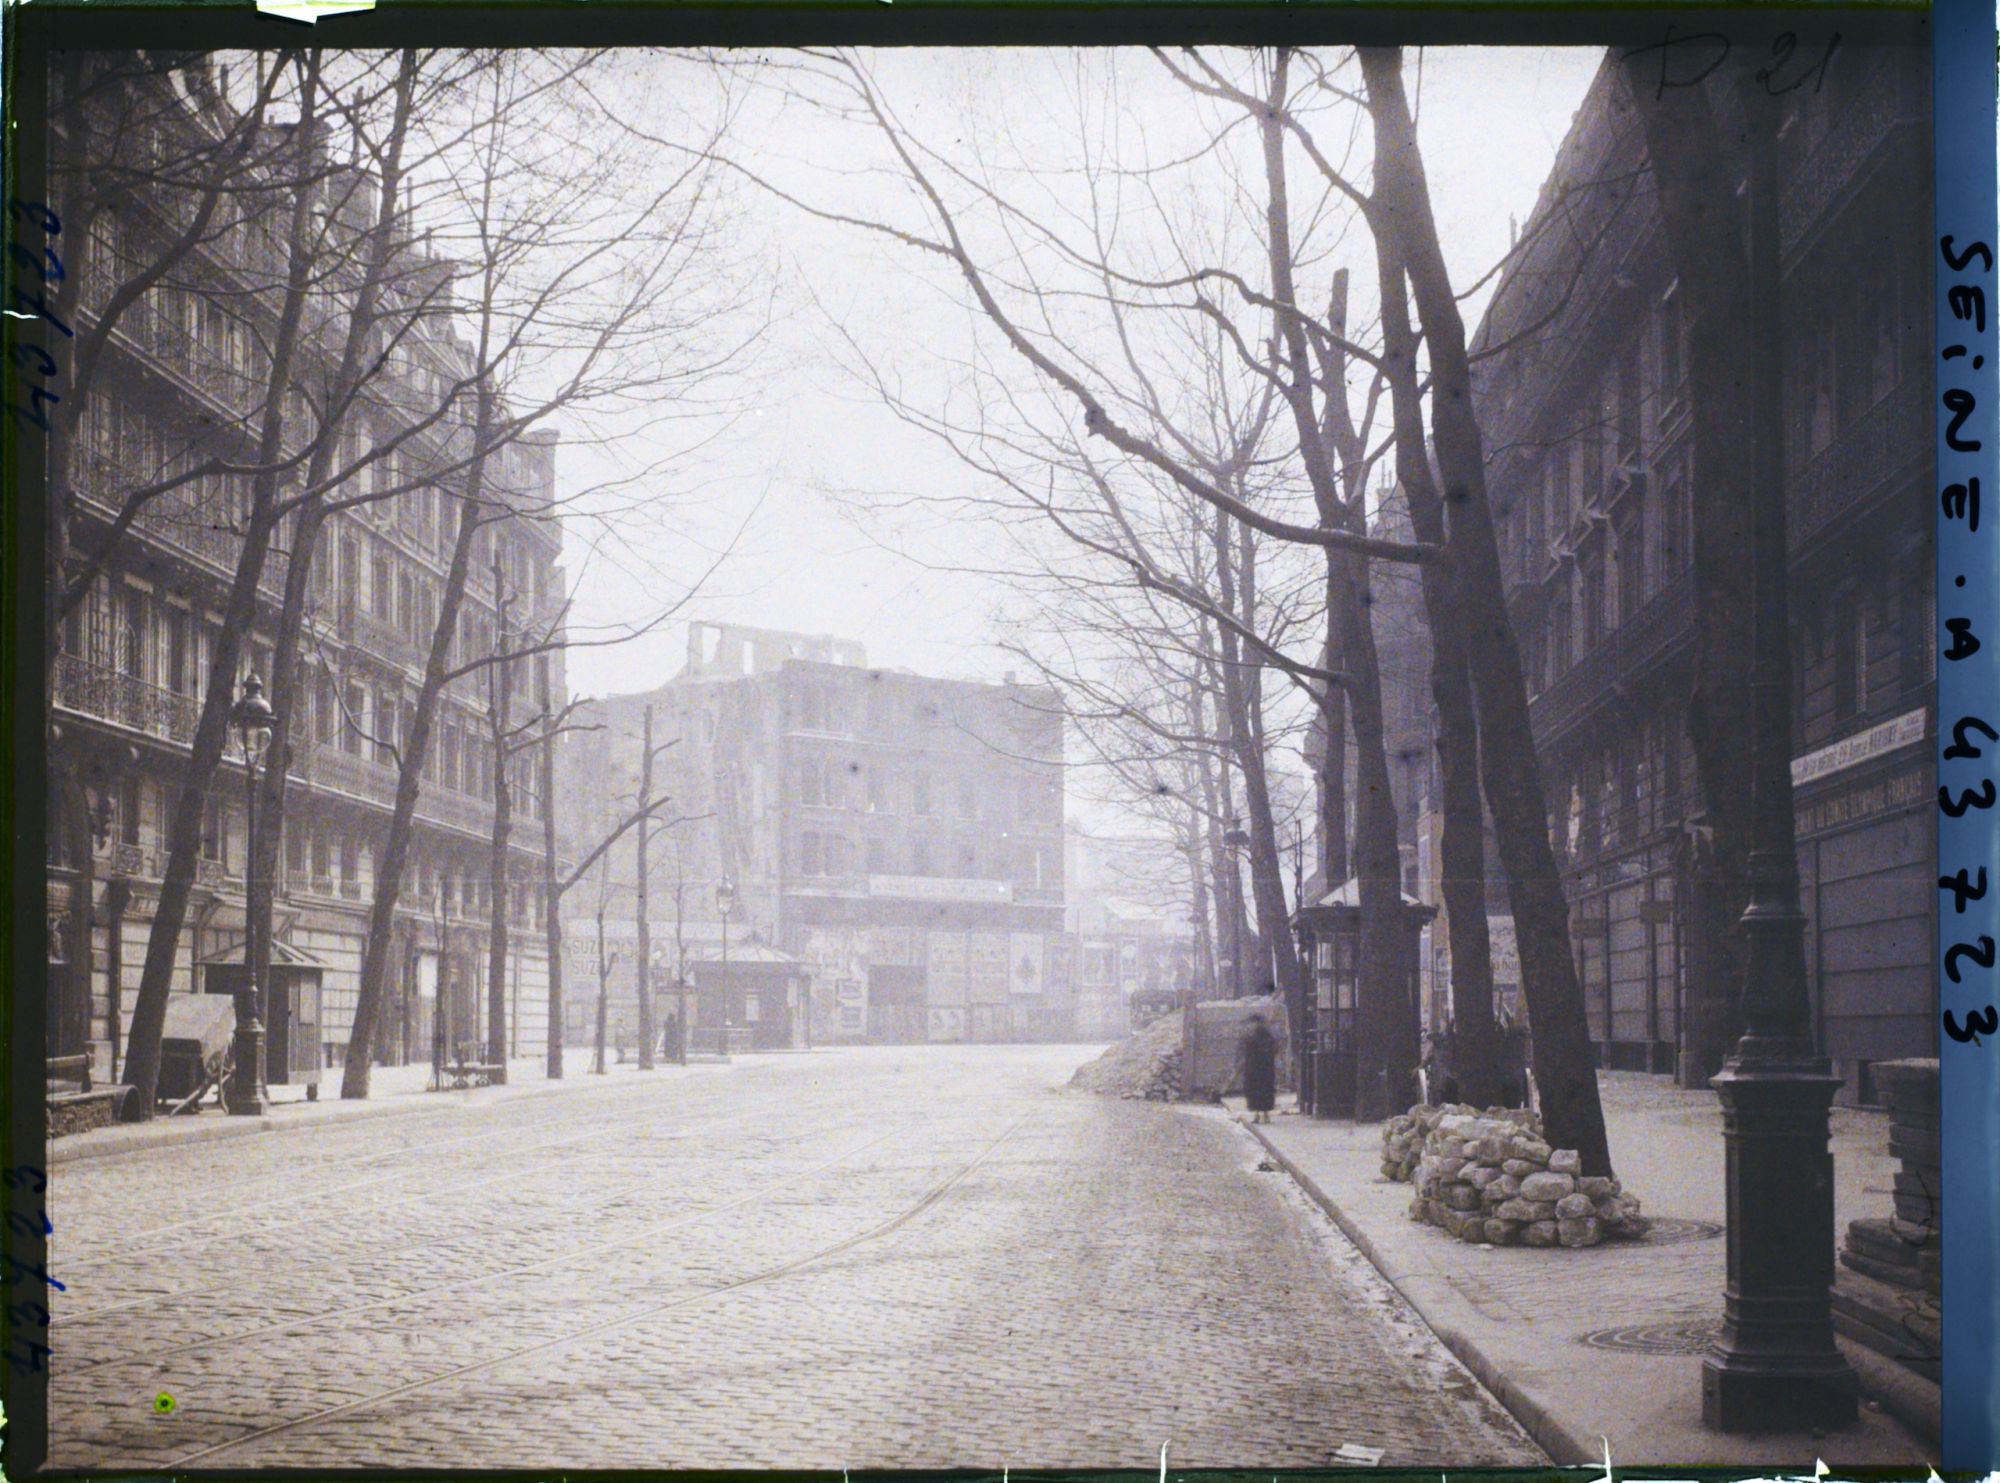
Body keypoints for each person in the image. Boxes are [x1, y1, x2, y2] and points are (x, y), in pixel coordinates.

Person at [1240, 1013, 1277, 1124]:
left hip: (1256, 1067)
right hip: (1264, 1067)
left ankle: (1260, 1114)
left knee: (1256, 1090)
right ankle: (1264, 1114)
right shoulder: (1267, 1035)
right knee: (1264, 1090)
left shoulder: (1252, 1036)